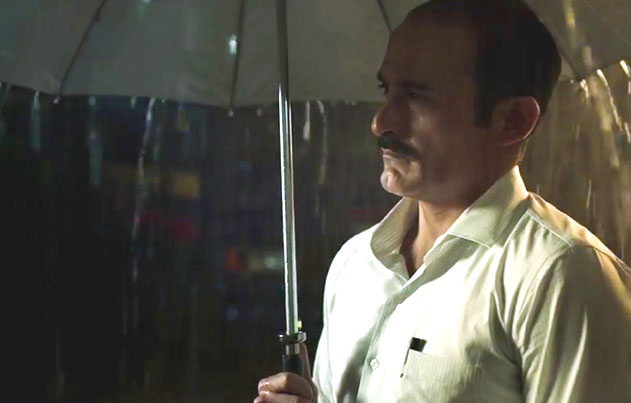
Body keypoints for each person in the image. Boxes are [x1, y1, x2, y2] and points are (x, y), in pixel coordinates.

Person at [254, 0, 631, 401]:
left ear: (514, 120)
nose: (381, 122)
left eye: (417, 96)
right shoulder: (355, 264)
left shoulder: (561, 275)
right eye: (387, 90)